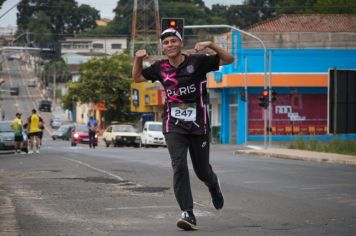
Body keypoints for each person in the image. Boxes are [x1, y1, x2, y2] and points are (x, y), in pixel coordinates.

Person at [132, 28, 234, 230]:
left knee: (202, 171)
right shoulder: (159, 67)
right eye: (166, 42)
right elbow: (137, 78)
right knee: (178, 166)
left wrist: (210, 45)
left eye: (173, 41)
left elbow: (229, 59)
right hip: (173, 124)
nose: (170, 45)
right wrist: (138, 59)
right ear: (163, 47)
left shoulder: (198, 61)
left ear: (180, 43)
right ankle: (187, 212)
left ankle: (213, 184)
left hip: (199, 124)